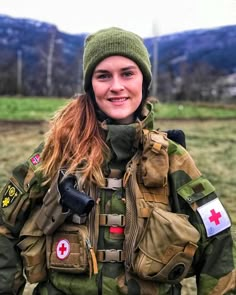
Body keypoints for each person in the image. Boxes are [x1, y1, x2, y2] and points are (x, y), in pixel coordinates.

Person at [0, 27, 235, 295]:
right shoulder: (58, 151)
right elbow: (4, 225)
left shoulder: (172, 158)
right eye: (103, 76)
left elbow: (217, 240)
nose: (116, 86)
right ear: (90, 86)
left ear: (143, 82)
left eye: (127, 73)